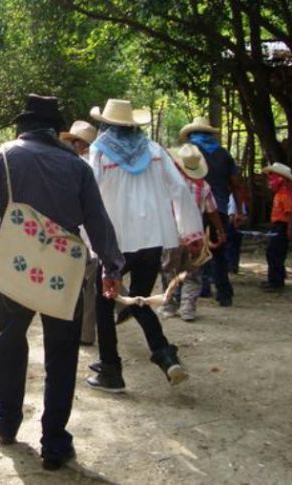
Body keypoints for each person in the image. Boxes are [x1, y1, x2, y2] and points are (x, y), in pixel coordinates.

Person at [0, 94, 124, 470]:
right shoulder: (77, 166)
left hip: (16, 264)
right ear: (55, 130)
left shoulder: (2, 156)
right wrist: (112, 268)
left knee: (10, 340)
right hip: (64, 269)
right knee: (62, 352)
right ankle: (54, 442)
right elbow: (98, 222)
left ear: (22, 127)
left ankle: (6, 423)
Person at [86, 99, 204, 393]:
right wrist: (191, 233)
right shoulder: (153, 151)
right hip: (152, 239)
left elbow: (90, 194)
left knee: (103, 303)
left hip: (115, 242)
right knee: (139, 299)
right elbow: (179, 188)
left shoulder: (100, 151)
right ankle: (164, 354)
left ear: (107, 124)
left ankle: (110, 369)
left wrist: (87, 239)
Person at [180, 117, 249, 307]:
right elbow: (236, 184)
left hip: (192, 208)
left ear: (191, 134)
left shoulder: (188, 153)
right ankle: (224, 293)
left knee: (191, 250)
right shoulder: (223, 154)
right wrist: (240, 211)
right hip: (219, 208)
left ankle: (195, 291)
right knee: (218, 250)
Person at [158, 144, 226, 322]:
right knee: (193, 274)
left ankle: (168, 305)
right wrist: (220, 230)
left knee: (168, 270)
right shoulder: (204, 186)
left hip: (171, 234)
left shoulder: (168, 184)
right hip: (195, 235)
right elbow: (212, 211)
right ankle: (188, 308)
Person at [59, 120, 101, 345]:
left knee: (85, 283)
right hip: (87, 232)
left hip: (81, 232)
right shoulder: (89, 164)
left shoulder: (79, 166)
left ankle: (83, 333)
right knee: (89, 282)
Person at [260, 163, 292, 291]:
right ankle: (274, 279)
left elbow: (289, 212)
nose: (270, 180)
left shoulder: (285, 194)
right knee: (273, 253)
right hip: (278, 226)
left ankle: (276, 282)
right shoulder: (280, 193)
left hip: (282, 226)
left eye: (272, 177)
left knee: (275, 253)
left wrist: (290, 229)